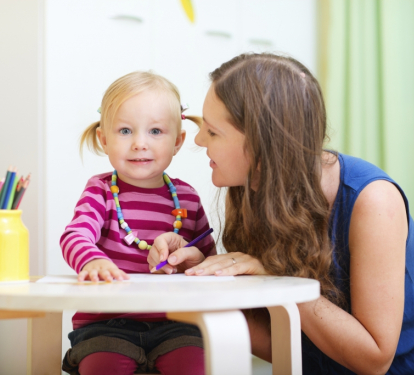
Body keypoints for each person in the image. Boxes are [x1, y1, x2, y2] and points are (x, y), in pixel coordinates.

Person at [148, 53, 414, 374]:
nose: (199, 139)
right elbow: (289, 345)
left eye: (214, 132)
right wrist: (205, 283)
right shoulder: (252, 189)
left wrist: (277, 283)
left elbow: (375, 360)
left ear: (262, 144)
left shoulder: (373, 201)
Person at [60, 71, 215, 375]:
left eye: (156, 131)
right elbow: (75, 235)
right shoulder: (101, 190)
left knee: (195, 365)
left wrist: (192, 261)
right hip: (105, 324)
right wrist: (92, 261)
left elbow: (209, 262)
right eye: (125, 131)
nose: (140, 144)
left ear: (178, 141)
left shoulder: (187, 198)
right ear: (104, 139)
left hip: (176, 323)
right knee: (102, 367)